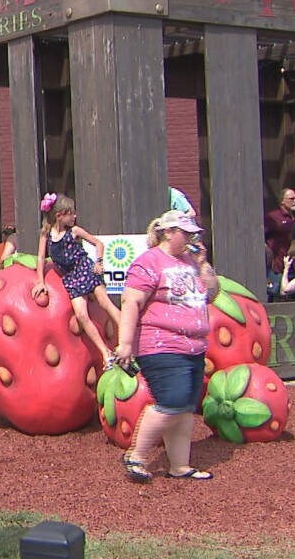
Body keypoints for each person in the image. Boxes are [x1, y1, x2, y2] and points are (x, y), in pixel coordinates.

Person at [115, 210, 219, 482]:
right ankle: (136, 456)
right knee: (171, 402)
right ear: (168, 233)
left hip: (194, 347)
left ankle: (179, 465)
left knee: (185, 408)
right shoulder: (148, 262)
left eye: (193, 234)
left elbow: (211, 294)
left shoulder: (191, 261)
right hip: (160, 345)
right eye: (186, 233)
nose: (191, 238)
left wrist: (203, 264)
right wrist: (125, 343)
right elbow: (131, 302)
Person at [31, 193, 117, 362]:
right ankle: (106, 353)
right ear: (59, 216)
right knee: (81, 315)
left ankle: (127, 342)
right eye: (71, 213)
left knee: (105, 302)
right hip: (71, 277)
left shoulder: (74, 231)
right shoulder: (46, 234)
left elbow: (98, 243)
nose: (74, 216)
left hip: (85, 269)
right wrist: (41, 281)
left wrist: (98, 263)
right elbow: (40, 258)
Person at [264, 188, 295, 294]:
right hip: (279, 266)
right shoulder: (272, 218)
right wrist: (267, 249)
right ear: (282, 201)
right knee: (276, 293)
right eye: (291, 199)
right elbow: (260, 236)